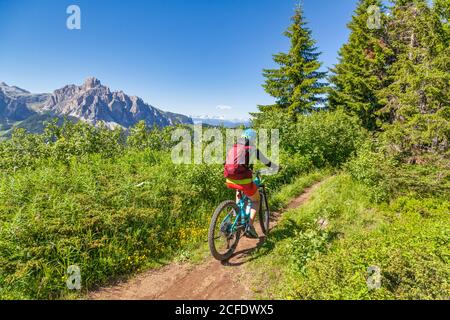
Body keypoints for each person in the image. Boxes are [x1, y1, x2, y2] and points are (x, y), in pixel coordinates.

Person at [224, 129, 279, 238]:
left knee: (238, 190)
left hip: (229, 179)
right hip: (243, 180)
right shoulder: (252, 149)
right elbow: (267, 162)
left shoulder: (234, 148)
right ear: (253, 139)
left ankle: (237, 214)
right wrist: (276, 167)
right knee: (256, 200)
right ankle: (249, 226)